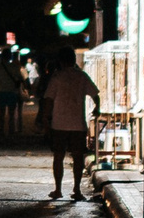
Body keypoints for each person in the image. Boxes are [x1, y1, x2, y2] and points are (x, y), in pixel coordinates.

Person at [40, 50, 101, 201]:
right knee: (78, 157)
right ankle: (77, 189)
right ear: (74, 60)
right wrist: (96, 109)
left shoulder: (57, 77)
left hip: (59, 123)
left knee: (58, 157)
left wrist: (46, 119)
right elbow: (95, 95)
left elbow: (48, 99)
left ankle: (58, 189)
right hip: (78, 124)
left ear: (60, 61)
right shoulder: (82, 76)